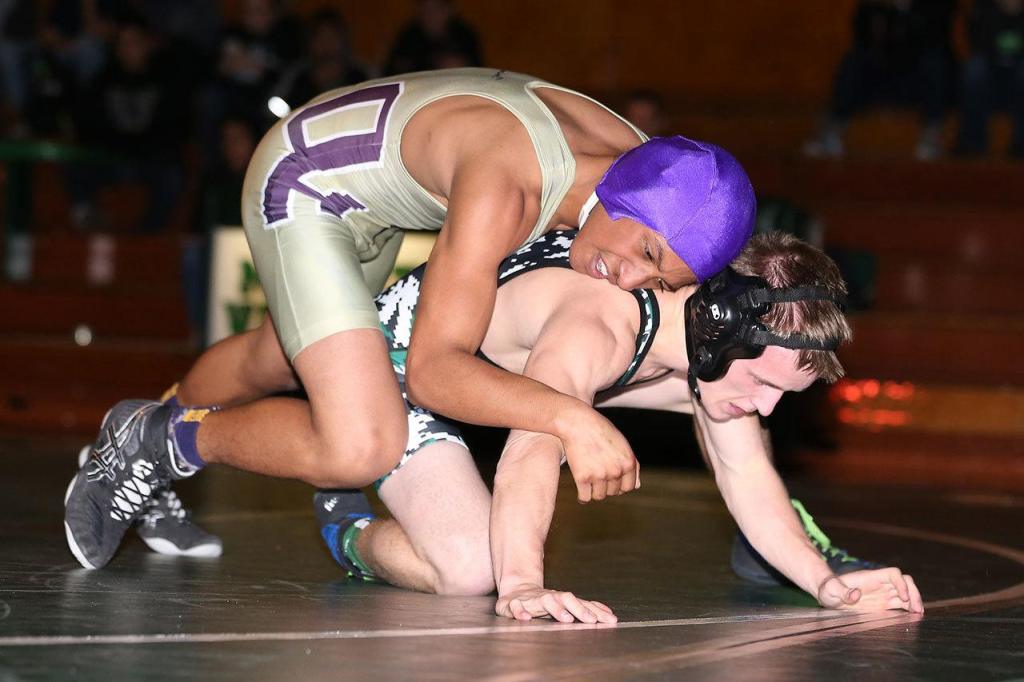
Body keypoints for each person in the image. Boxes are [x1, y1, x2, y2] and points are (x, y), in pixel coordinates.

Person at [64, 68, 757, 570]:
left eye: (658, 280)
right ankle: (151, 441)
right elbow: (432, 373)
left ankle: (146, 448)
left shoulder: (649, 172)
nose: (630, 280)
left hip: (381, 198)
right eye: (643, 254)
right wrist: (571, 417)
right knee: (359, 446)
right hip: (307, 181)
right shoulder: (509, 186)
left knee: (277, 356)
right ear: (623, 196)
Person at [307, 229, 922, 621]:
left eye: (784, 392)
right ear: (718, 330)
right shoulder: (596, 327)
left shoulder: (708, 345)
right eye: (763, 382)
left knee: (737, 427)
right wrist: (521, 587)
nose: (767, 406)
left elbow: (746, 473)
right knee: (473, 570)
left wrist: (828, 586)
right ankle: (345, 519)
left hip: (495, 377)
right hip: (397, 368)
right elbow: (531, 448)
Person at [803, 0, 957, 161]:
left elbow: (936, 38)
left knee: (934, 65)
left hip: (918, 75)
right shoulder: (876, 4)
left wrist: (907, 10)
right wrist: (883, 13)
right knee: (853, 62)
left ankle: (931, 136)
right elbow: (861, 36)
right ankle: (832, 130)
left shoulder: (936, 5)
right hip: (884, 73)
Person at [955, 0, 1024, 158]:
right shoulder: (982, 9)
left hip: (1018, 71)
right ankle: (972, 141)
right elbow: (976, 45)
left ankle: (1021, 142)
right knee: (974, 69)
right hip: (990, 69)